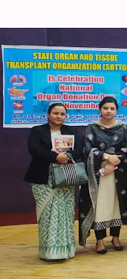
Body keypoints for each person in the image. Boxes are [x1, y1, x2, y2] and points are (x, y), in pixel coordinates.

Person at [24, 103, 84, 261]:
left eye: (62, 114)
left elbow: (79, 149)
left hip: (65, 177)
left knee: (65, 213)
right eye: (55, 113)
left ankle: (66, 250)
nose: (59, 116)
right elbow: (34, 149)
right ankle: (49, 252)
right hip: (43, 178)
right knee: (48, 214)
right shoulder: (37, 131)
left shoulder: (71, 131)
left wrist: (67, 157)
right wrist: (55, 157)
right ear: (48, 114)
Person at [79, 97, 127, 254]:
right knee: (100, 206)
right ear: (100, 109)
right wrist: (105, 158)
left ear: (116, 110)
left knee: (117, 205)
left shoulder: (123, 127)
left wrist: (114, 162)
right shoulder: (92, 128)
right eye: (105, 108)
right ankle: (100, 240)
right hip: (98, 174)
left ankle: (115, 237)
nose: (108, 111)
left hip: (119, 173)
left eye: (112, 108)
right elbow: (88, 150)